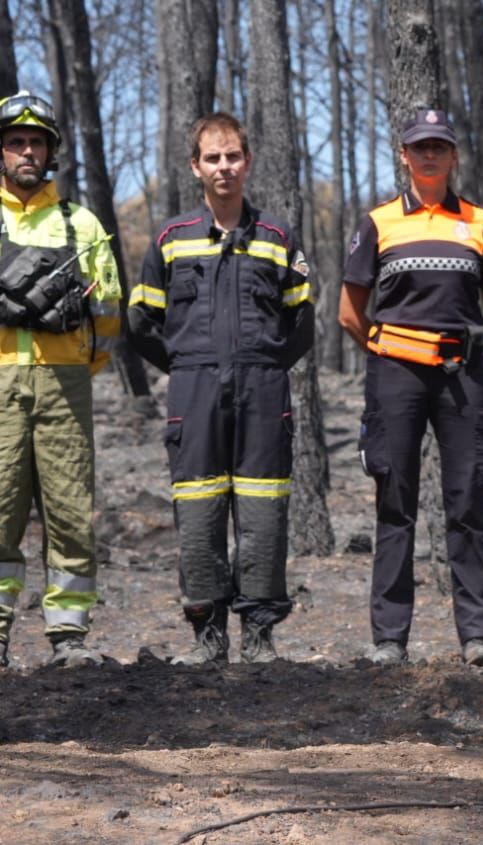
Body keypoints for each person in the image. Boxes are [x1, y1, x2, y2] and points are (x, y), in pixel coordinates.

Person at [128, 112, 314, 665]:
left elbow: (302, 322)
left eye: (233, 155)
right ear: (196, 167)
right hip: (195, 391)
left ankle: (259, 635)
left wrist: (269, 366)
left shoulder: (278, 238)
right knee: (200, 511)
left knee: (263, 511)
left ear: (248, 161)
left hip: (263, 389)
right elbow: (140, 322)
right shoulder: (170, 241)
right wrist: (186, 366)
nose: (224, 166)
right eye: (213, 158)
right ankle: (208, 636)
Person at [339, 108, 483, 668]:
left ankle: (476, 635)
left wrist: (465, 354)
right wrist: (395, 349)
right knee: (396, 502)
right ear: (404, 155)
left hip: (463, 377)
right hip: (395, 378)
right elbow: (348, 313)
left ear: (454, 155)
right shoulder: (379, 222)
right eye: (420, 146)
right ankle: (390, 637)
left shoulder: (480, 223)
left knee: (466, 502)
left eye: (440, 146)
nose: (430, 155)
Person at [0, 91, 122, 669]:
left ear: (51, 152)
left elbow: (109, 317)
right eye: (16, 141)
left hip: (66, 383)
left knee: (71, 509)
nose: (27, 151)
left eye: (36, 142)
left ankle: (68, 635)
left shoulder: (82, 224)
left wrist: (77, 366)